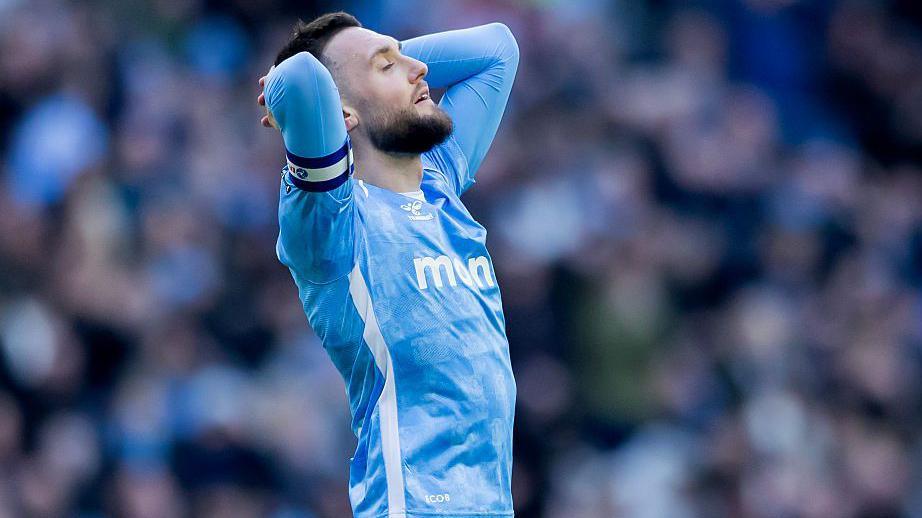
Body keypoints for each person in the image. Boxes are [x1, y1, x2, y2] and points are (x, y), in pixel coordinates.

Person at [257, 11, 519, 518]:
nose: (420, 69)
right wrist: (301, 77)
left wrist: (384, 60)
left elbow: (497, 49)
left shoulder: (440, 178)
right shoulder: (330, 219)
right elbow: (303, 80)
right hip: (414, 505)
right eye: (388, 66)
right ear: (343, 114)